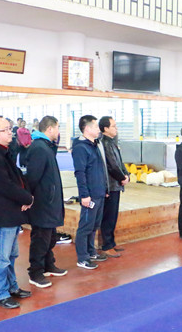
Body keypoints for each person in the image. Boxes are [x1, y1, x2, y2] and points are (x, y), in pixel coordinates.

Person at [0, 116, 34, 309]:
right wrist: (26, 198)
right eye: (6, 129)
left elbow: (17, 177)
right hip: (2, 213)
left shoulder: (4, 152)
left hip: (11, 211)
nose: (10, 132)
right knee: (1, 258)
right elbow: (4, 185)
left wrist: (26, 196)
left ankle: (12, 287)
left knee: (11, 255)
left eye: (10, 128)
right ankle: (0, 294)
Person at [26, 116, 67, 288]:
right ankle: (35, 272)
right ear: (50, 129)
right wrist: (29, 198)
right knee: (40, 238)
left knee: (50, 236)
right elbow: (32, 177)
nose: (59, 131)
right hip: (43, 202)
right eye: (57, 128)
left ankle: (48, 264)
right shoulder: (39, 148)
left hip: (50, 200)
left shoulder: (46, 146)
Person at [72, 115, 108, 270]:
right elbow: (80, 173)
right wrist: (84, 195)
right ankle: (82, 257)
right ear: (87, 129)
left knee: (94, 225)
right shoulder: (81, 147)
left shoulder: (94, 145)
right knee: (85, 226)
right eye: (95, 126)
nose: (99, 129)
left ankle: (91, 251)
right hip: (90, 194)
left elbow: (100, 169)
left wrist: (105, 188)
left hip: (99, 192)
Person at [98, 116, 130, 258]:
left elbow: (120, 163)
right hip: (110, 185)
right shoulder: (105, 143)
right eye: (113, 126)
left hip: (116, 184)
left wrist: (127, 174)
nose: (116, 129)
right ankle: (106, 245)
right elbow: (112, 166)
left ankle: (111, 242)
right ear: (105, 128)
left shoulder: (112, 142)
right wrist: (122, 178)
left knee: (113, 216)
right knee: (108, 217)